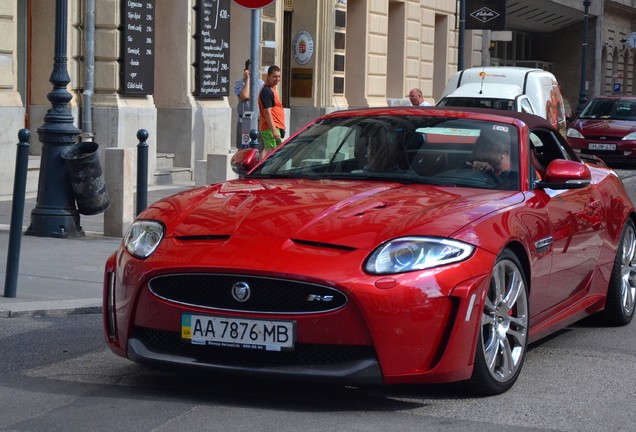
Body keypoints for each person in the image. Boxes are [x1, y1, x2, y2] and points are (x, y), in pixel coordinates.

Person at [234, 59, 264, 147]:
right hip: (244, 121)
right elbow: (245, 96)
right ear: (246, 69)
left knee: (259, 147)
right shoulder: (239, 83)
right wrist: (247, 80)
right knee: (243, 146)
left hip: (258, 121)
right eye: (251, 68)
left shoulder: (260, 83)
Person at [258, 65, 286, 158]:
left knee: (275, 154)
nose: (277, 79)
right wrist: (274, 130)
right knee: (271, 155)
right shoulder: (266, 90)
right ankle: (265, 171)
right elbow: (267, 112)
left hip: (273, 127)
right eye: (274, 76)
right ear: (268, 76)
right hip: (269, 128)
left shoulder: (271, 89)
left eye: (279, 76)